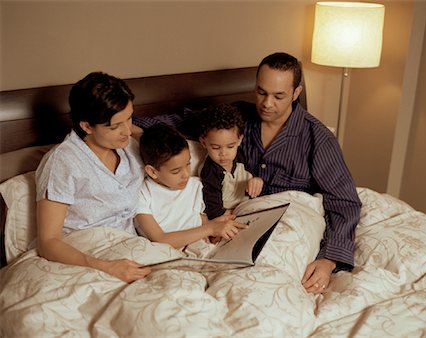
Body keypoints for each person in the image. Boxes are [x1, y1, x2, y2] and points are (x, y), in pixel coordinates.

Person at [132, 52, 362, 294]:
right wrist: (129, 126)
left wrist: (328, 260)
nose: (267, 103)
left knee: (270, 272)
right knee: (234, 276)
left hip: (294, 214)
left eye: (278, 95)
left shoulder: (318, 138)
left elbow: (345, 202)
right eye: (261, 92)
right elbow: (182, 120)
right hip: (242, 215)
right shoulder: (236, 117)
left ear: (296, 93)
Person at [36, 72, 152, 283]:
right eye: (115, 126)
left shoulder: (130, 146)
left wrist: (132, 127)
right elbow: (47, 242)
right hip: (83, 255)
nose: (127, 130)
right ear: (87, 126)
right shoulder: (63, 163)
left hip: (130, 246)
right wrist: (107, 268)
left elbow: (169, 154)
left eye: (130, 118)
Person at [134, 123, 247, 248]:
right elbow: (160, 239)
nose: (186, 174)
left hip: (201, 246)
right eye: (176, 171)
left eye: (188, 164)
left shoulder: (195, 185)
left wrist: (214, 231)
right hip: (168, 250)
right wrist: (210, 229)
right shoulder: (142, 194)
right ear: (153, 171)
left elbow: (202, 222)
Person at [197, 103, 264, 219]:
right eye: (216, 147)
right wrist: (238, 215)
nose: (223, 153)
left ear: (239, 140)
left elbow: (251, 178)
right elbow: (213, 210)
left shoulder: (240, 155)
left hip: (249, 206)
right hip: (227, 215)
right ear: (203, 143)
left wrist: (256, 181)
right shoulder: (210, 171)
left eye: (230, 146)